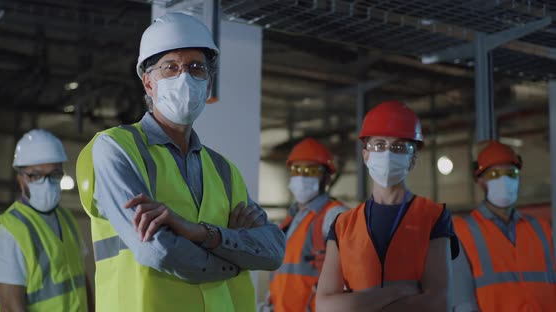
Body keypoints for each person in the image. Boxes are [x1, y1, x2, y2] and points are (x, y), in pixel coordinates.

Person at [76, 12, 285, 312]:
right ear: (148, 82)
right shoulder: (116, 149)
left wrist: (200, 233)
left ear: (209, 83)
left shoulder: (224, 171)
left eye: (196, 68)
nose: (184, 77)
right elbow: (156, 249)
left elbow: (274, 250)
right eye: (170, 68)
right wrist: (234, 257)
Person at [316, 101, 459, 312]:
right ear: (365, 155)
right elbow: (325, 306)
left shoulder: (433, 217)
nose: (388, 154)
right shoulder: (342, 225)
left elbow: (437, 303)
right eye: (379, 145)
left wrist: (359, 303)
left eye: (400, 147)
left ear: (412, 160)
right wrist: (397, 291)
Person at [0, 129, 90, 312]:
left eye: (54, 174)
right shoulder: (9, 233)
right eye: (36, 175)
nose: (47, 183)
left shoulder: (67, 219)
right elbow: (10, 308)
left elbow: (83, 281)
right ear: (21, 180)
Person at [452, 140, 556, 312]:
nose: (505, 180)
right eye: (495, 174)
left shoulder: (542, 230)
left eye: (511, 173)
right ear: (480, 180)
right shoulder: (462, 232)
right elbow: (463, 302)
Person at [265, 138, 349, 312]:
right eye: (297, 169)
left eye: (311, 171)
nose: (302, 176)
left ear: (326, 178)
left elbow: (351, 275)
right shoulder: (290, 219)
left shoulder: (335, 215)